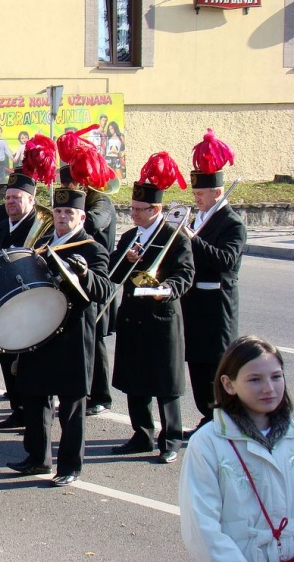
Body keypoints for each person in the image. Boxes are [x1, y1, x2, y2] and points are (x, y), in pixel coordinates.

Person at [6, 188, 111, 486]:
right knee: (35, 397)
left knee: (71, 404)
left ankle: (70, 465)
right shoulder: (42, 242)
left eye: (69, 213)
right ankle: (37, 458)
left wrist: (85, 274)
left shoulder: (93, 249)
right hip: (39, 331)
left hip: (71, 335)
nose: (62, 217)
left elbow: (103, 291)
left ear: (82, 217)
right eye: (59, 212)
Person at [179, 336, 294, 561]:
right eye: (255, 380)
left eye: (276, 377)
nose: (269, 388)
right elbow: (203, 528)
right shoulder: (208, 442)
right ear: (229, 384)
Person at [110, 161, 194, 464]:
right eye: (132, 209)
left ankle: (171, 438)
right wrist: (124, 257)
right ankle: (141, 434)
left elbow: (185, 273)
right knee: (135, 379)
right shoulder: (129, 237)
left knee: (165, 382)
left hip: (161, 317)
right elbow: (115, 275)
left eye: (139, 209)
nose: (134, 214)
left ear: (155, 210)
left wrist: (168, 288)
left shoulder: (175, 237)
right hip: (133, 316)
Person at [181, 142, 246, 436]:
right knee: (196, 363)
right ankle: (207, 415)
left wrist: (193, 239)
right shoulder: (200, 217)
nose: (196, 199)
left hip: (217, 306)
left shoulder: (232, 223)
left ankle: (224, 418)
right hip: (194, 302)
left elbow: (226, 260)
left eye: (200, 194)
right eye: (194, 194)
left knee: (215, 367)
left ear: (217, 193)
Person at [0, 172, 46, 429]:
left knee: (28, 360)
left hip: (30, 301)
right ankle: (16, 408)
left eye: (17, 198)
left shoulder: (41, 227)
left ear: (31, 199)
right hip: (2, 300)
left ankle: (33, 414)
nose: (11, 202)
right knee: (6, 354)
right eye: (8, 198)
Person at [58, 165, 117, 416]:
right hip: (73, 276)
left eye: (71, 185)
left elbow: (94, 222)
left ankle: (101, 395)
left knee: (96, 340)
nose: (68, 189)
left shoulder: (100, 200)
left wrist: (77, 208)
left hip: (95, 272)